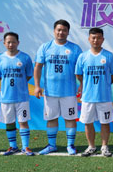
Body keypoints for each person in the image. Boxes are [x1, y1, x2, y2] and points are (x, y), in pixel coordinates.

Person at [34, 20, 82, 155]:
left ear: (68, 32)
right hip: (50, 91)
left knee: (70, 118)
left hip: (69, 92)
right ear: (54, 31)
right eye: (58, 30)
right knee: (51, 118)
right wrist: (37, 86)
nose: (61, 32)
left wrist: (82, 85)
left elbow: (81, 70)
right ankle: (51, 145)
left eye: (64, 30)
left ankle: (70, 145)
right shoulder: (45, 47)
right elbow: (38, 67)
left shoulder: (75, 49)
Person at [75, 28, 113, 157]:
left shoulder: (109, 56)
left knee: (105, 122)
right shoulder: (83, 56)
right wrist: (85, 85)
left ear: (103, 39)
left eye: (99, 38)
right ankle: (91, 146)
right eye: (93, 38)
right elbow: (78, 74)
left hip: (104, 97)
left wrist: (106, 83)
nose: (96, 40)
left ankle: (104, 146)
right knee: (88, 122)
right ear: (89, 39)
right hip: (87, 97)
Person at [0, 32, 35, 156]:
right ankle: (13, 146)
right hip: (6, 97)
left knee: (23, 121)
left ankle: (25, 147)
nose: (11, 44)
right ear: (4, 43)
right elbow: (0, 77)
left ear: (18, 43)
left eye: (13, 42)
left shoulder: (25, 58)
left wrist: (20, 83)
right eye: (8, 42)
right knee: (9, 122)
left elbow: (28, 75)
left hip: (22, 97)